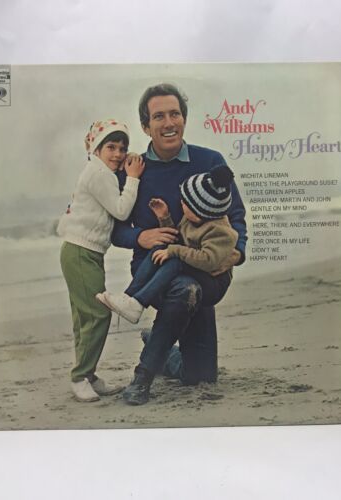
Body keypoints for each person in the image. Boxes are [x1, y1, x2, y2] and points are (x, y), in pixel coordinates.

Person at [111, 84, 247, 405]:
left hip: (207, 270)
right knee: (184, 289)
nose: (169, 122)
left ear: (184, 119)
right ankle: (142, 378)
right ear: (146, 126)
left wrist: (236, 253)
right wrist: (139, 237)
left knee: (200, 375)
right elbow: (114, 230)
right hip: (154, 269)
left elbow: (236, 216)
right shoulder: (132, 171)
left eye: (175, 114)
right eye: (159, 116)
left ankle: (159, 344)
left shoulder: (209, 161)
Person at [57, 119, 145, 402]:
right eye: (111, 147)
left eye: (122, 148)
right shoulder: (98, 174)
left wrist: (125, 169)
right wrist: (133, 178)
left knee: (85, 317)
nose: (118, 154)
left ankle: (88, 375)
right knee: (98, 314)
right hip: (80, 252)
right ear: (96, 148)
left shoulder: (99, 170)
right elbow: (121, 210)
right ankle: (80, 376)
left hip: (84, 252)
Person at [97, 164, 238, 325]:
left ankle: (139, 303)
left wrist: (173, 251)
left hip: (213, 284)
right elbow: (178, 242)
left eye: (185, 202)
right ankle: (129, 297)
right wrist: (164, 217)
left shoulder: (221, 232)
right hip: (198, 270)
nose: (181, 202)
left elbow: (208, 260)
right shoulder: (191, 218)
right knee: (161, 246)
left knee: (175, 260)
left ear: (199, 211)